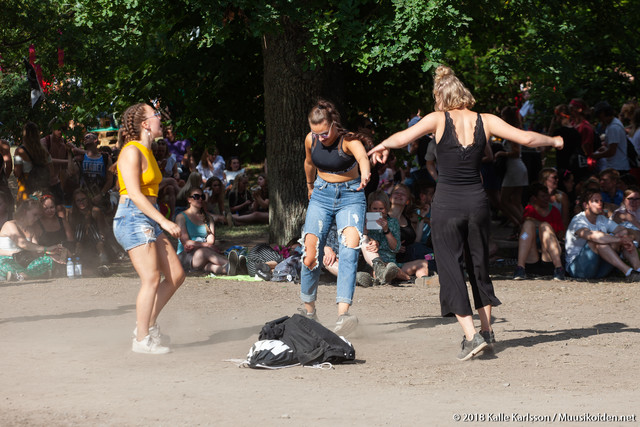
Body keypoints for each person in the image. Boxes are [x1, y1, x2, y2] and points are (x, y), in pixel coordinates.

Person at [368, 65, 563, 360]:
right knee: (479, 266)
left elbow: (403, 137)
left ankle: (472, 337)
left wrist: (380, 146)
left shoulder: (437, 119)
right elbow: (526, 139)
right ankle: (486, 330)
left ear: (439, 96)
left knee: (450, 269)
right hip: (477, 203)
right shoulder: (486, 120)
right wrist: (554, 141)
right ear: (464, 93)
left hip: (447, 205)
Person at [113, 103, 185, 354]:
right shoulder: (131, 151)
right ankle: (141, 339)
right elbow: (133, 193)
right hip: (132, 217)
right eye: (155, 115)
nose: (160, 119)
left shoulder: (148, 152)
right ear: (145, 124)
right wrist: (164, 221)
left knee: (176, 275)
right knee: (152, 278)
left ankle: (146, 325)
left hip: (147, 218)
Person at [300, 99, 371, 336]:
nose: (320, 137)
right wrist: (310, 185)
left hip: (350, 195)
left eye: (324, 132)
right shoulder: (311, 139)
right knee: (310, 253)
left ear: (333, 124)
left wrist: (365, 174)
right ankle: (309, 311)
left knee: (349, 250)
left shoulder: (349, 140)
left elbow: (363, 158)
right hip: (321, 194)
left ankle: (344, 315)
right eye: (315, 132)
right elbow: (309, 162)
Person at [565, 188, 640, 281]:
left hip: (599, 270)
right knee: (597, 242)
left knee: (623, 236)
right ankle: (629, 273)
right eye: (595, 201)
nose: (600, 203)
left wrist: (628, 238)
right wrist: (620, 240)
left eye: (601, 200)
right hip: (579, 270)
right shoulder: (578, 220)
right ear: (586, 205)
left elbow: (623, 230)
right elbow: (595, 237)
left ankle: (638, 271)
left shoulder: (602, 219)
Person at [0, 199, 65, 281]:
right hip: (7, 259)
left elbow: (35, 251)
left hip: (24, 261)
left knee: (49, 260)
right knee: (6, 264)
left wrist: (51, 253)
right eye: (35, 215)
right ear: (24, 211)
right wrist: (47, 248)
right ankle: (26, 274)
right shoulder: (10, 224)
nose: (37, 218)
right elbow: (23, 243)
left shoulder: (31, 230)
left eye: (38, 216)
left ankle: (21, 275)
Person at [512, 183, 565, 281]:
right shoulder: (530, 209)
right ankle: (520, 268)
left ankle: (559, 268)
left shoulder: (554, 211)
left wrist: (544, 227)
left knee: (545, 226)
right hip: (532, 256)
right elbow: (526, 222)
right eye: (542, 196)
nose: (546, 199)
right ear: (534, 198)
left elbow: (560, 234)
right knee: (527, 226)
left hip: (549, 256)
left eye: (547, 196)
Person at [175, 187, 231, 275]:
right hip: (186, 256)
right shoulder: (181, 217)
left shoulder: (209, 218)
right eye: (196, 196)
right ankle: (234, 264)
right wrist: (206, 245)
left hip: (201, 257)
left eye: (202, 197)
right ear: (189, 199)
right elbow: (186, 241)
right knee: (204, 252)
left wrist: (204, 245)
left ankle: (229, 269)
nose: (200, 199)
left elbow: (210, 241)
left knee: (210, 266)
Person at [496, 106, 528, 234]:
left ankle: (523, 223)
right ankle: (522, 225)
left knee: (504, 200)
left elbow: (516, 152)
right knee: (516, 201)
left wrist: (501, 154)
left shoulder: (512, 132)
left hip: (514, 168)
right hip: (517, 167)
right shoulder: (514, 130)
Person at [14, 122, 54, 201]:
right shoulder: (44, 151)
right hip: (43, 191)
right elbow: (52, 172)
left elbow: (17, 173)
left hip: (26, 191)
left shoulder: (19, 151)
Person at [592, 101, 629, 175]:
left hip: (617, 167)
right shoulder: (614, 123)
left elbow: (612, 151)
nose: (599, 119)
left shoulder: (613, 127)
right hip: (619, 165)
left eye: (599, 116)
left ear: (603, 113)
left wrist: (595, 156)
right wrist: (605, 149)